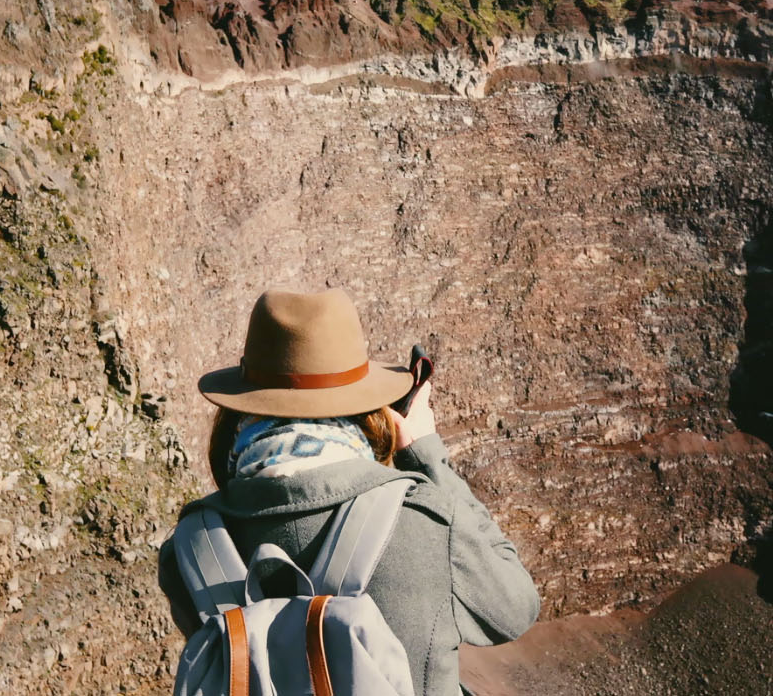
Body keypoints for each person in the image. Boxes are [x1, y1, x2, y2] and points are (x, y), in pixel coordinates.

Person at [158, 287, 540, 696]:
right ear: (368, 406)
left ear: (238, 408)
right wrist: (426, 456)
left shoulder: (189, 548)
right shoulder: (425, 521)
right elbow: (513, 609)